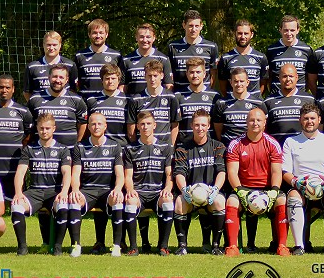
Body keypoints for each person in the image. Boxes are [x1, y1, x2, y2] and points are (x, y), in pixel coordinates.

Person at [224, 108, 289, 257]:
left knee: (282, 200)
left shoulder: (272, 144)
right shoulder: (235, 144)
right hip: (243, 188)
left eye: (259, 120)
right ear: (246, 122)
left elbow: (276, 172)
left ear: (264, 123)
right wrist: (240, 191)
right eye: (252, 120)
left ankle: (282, 246)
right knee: (231, 202)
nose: (255, 123)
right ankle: (232, 246)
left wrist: (274, 191)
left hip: (267, 189)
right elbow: (232, 172)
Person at [283, 103, 324, 255]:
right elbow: (286, 172)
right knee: (292, 196)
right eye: (306, 118)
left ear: (319, 119)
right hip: (301, 188)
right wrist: (296, 183)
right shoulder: (291, 142)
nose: (309, 121)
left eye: (313, 118)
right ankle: (299, 246)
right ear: (300, 120)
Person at [10, 114, 72, 255]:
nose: (44, 131)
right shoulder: (29, 149)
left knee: (63, 205)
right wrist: (18, 193)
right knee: (16, 206)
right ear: (37, 128)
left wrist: (64, 192)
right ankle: (22, 247)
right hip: (35, 192)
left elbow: (67, 172)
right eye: (41, 128)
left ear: (54, 129)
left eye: (47, 128)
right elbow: (20, 172)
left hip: (54, 191)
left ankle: (57, 247)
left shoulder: (62, 149)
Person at [172, 110, 227, 255]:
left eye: (203, 125)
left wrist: (216, 189)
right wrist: (184, 190)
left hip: (210, 193)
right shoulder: (182, 148)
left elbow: (221, 172)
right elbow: (179, 173)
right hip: (190, 193)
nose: (200, 128)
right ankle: (182, 246)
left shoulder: (218, 146)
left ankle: (215, 246)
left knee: (220, 201)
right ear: (191, 125)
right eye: (197, 125)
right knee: (179, 202)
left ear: (209, 126)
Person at [70, 113, 124, 257]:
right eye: (93, 124)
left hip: (107, 190)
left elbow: (120, 174)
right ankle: (76, 245)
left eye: (100, 124)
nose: (96, 126)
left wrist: (118, 189)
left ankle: (116, 246)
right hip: (87, 191)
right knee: (74, 200)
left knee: (117, 199)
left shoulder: (115, 146)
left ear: (105, 126)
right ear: (88, 126)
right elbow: (75, 173)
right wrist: (75, 189)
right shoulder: (80, 146)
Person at [122, 111, 175, 256]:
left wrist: (168, 188)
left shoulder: (165, 147)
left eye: (148, 124)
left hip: (157, 192)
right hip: (139, 192)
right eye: (142, 124)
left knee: (168, 200)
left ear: (154, 125)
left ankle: (163, 246)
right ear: (138, 127)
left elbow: (169, 173)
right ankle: (133, 247)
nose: (145, 127)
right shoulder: (130, 148)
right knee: (130, 201)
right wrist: (130, 189)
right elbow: (128, 175)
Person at [26, 64, 88, 148]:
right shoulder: (35, 99)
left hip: (69, 150)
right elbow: (29, 125)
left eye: (61, 77)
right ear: (49, 77)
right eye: (55, 76)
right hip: (41, 151)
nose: (58, 80)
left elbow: (83, 124)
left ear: (66, 80)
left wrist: (77, 144)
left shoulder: (77, 99)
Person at [126, 60, 180, 146]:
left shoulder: (171, 97)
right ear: (145, 76)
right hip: (143, 148)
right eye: (149, 76)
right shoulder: (136, 99)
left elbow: (175, 126)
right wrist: (137, 147)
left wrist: (170, 147)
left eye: (155, 76)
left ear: (162, 76)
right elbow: (131, 128)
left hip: (164, 148)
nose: (152, 79)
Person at [167, 9, 220, 93]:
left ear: (201, 26)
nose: (193, 29)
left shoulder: (211, 46)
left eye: (197, 26)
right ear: (184, 25)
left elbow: (213, 72)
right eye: (190, 26)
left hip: (203, 95)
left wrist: (207, 90)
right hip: (180, 94)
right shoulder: (173, 46)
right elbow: (169, 73)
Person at [263, 63, 315, 144]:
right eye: (284, 76)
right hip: (278, 148)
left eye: (291, 76)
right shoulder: (269, 101)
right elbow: (264, 129)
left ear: (297, 78)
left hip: (302, 147)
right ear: (279, 78)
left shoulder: (309, 99)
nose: (288, 79)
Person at [212, 68, 266, 145]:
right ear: (231, 82)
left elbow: (263, 127)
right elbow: (218, 131)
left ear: (247, 82)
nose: (239, 84)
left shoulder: (258, 103)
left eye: (242, 81)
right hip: (228, 147)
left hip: (251, 147)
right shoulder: (221, 103)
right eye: (236, 81)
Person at [175, 57, 222, 145]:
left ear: (204, 74)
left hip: (208, 146)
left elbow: (218, 125)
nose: (195, 75)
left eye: (198, 72)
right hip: (185, 146)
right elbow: (175, 125)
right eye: (191, 72)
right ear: (187, 74)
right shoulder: (178, 96)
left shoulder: (214, 96)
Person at [217, 19, 268, 97]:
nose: (243, 37)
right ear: (235, 34)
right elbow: (223, 87)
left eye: (246, 33)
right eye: (240, 33)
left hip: (254, 103)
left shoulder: (261, 57)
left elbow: (264, 84)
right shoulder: (226, 58)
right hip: (233, 102)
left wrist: (255, 99)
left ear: (251, 35)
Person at [75, 19, 123, 100]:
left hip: (108, 101)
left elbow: (121, 82)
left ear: (106, 34)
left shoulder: (116, 56)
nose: (98, 36)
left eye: (101, 33)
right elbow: (75, 82)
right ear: (89, 34)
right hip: (85, 101)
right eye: (94, 33)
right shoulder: (80, 56)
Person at [121, 23, 175, 96]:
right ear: (136, 38)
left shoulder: (163, 59)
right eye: (141, 37)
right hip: (134, 101)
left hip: (156, 102)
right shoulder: (126, 60)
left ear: (154, 38)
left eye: (148, 37)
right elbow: (122, 87)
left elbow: (168, 86)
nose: (145, 40)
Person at [265, 15, 314, 94]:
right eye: (286, 30)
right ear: (280, 30)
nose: (289, 33)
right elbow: (268, 77)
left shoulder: (307, 50)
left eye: (292, 30)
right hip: (277, 97)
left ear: (298, 30)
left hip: (300, 97)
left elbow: (310, 78)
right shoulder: (271, 50)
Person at [23, 31, 78, 101]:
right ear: (43, 45)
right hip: (41, 106)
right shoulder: (32, 67)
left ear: (60, 45)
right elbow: (27, 92)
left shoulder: (70, 65)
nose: (51, 48)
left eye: (54, 45)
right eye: (48, 45)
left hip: (63, 105)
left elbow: (73, 90)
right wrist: (35, 105)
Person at [86, 63, 129, 147]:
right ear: (102, 80)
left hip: (121, 147)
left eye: (113, 78)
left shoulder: (128, 100)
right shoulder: (91, 100)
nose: (110, 81)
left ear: (119, 80)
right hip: (98, 147)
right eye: (107, 78)